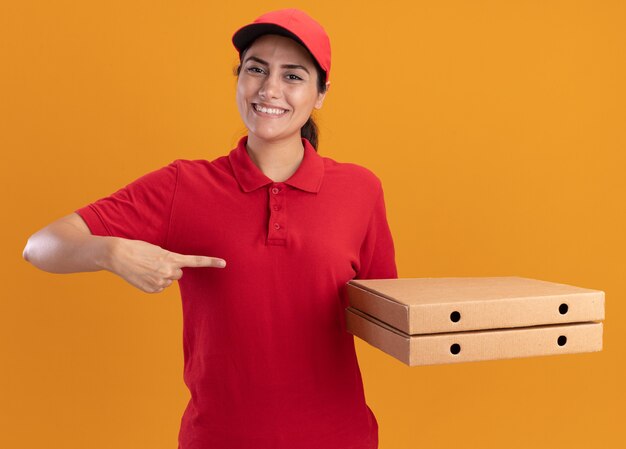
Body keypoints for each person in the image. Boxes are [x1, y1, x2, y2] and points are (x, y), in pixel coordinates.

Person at [23, 8, 397, 449]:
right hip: (218, 439)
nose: (269, 89)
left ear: (320, 94)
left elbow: (386, 314)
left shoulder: (359, 189)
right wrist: (113, 253)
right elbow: (41, 246)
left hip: (340, 439)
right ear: (239, 78)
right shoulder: (186, 185)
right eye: (256, 69)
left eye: (293, 76)